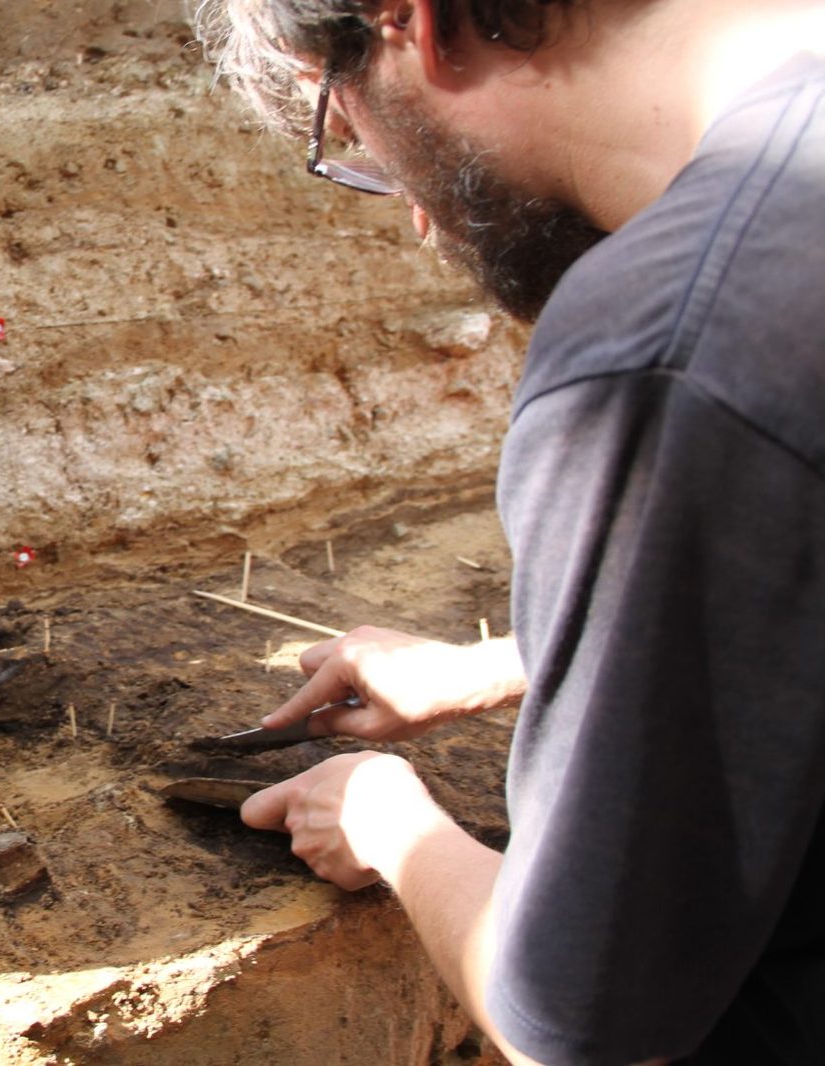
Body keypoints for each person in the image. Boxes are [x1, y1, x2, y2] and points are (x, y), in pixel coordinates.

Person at [198, 0, 825, 1062]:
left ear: (416, 27)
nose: (409, 212)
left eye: (350, 134)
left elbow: (580, 1014)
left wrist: (387, 818)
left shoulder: (669, 340)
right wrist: (516, 661)